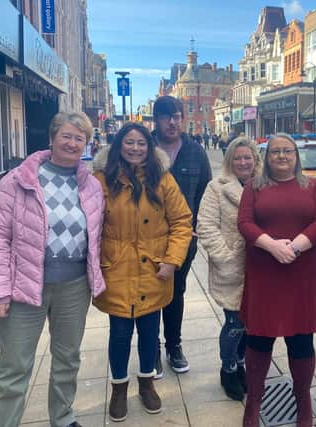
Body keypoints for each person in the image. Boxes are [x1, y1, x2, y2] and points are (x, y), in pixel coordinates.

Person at [0, 112, 106, 427]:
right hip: (24, 287)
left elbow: (97, 236)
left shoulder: (91, 186)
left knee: (67, 359)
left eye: (80, 138)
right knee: (14, 366)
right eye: (67, 135)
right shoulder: (19, 179)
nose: (72, 143)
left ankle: (63, 417)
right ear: (51, 138)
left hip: (74, 287)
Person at [92, 123, 192, 422]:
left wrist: (172, 260)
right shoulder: (101, 181)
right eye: (129, 142)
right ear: (118, 145)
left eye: (141, 143)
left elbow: (182, 222)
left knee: (150, 332)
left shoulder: (162, 180)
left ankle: (147, 384)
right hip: (117, 270)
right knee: (120, 334)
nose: (135, 148)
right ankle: (119, 389)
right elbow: (89, 227)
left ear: (150, 147)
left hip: (155, 270)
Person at [238, 133, 316, 427]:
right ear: (266, 157)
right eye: (275, 151)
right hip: (264, 272)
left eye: (287, 151)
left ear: (296, 156)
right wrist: (273, 245)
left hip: (299, 273)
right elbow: (244, 222)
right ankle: (254, 399)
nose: (281, 156)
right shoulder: (254, 187)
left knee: (301, 338)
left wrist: (293, 246)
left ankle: (302, 398)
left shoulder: (313, 186)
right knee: (259, 337)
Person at [197, 137, 263, 401]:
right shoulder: (216, 187)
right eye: (238, 158)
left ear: (255, 159)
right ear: (229, 160)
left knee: (251, 324)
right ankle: (228, 368)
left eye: (248, 157)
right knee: (235, 323)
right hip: (232, 267)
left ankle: (241, 364)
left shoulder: (264, 186)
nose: (243, 162)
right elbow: (206, 226)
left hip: (261, 267)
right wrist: (225, 258)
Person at [151, 95, 212, 374]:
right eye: (167, 116)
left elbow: (205, 192)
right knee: (150, 293)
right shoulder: (144, 147)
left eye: (177, 116)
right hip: (147, 238)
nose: (173, 122)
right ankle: (151, 347)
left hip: (184, 239)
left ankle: (174, 346)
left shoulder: (196, 152)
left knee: (176, 292)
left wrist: (197, 227)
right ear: (157, 120)